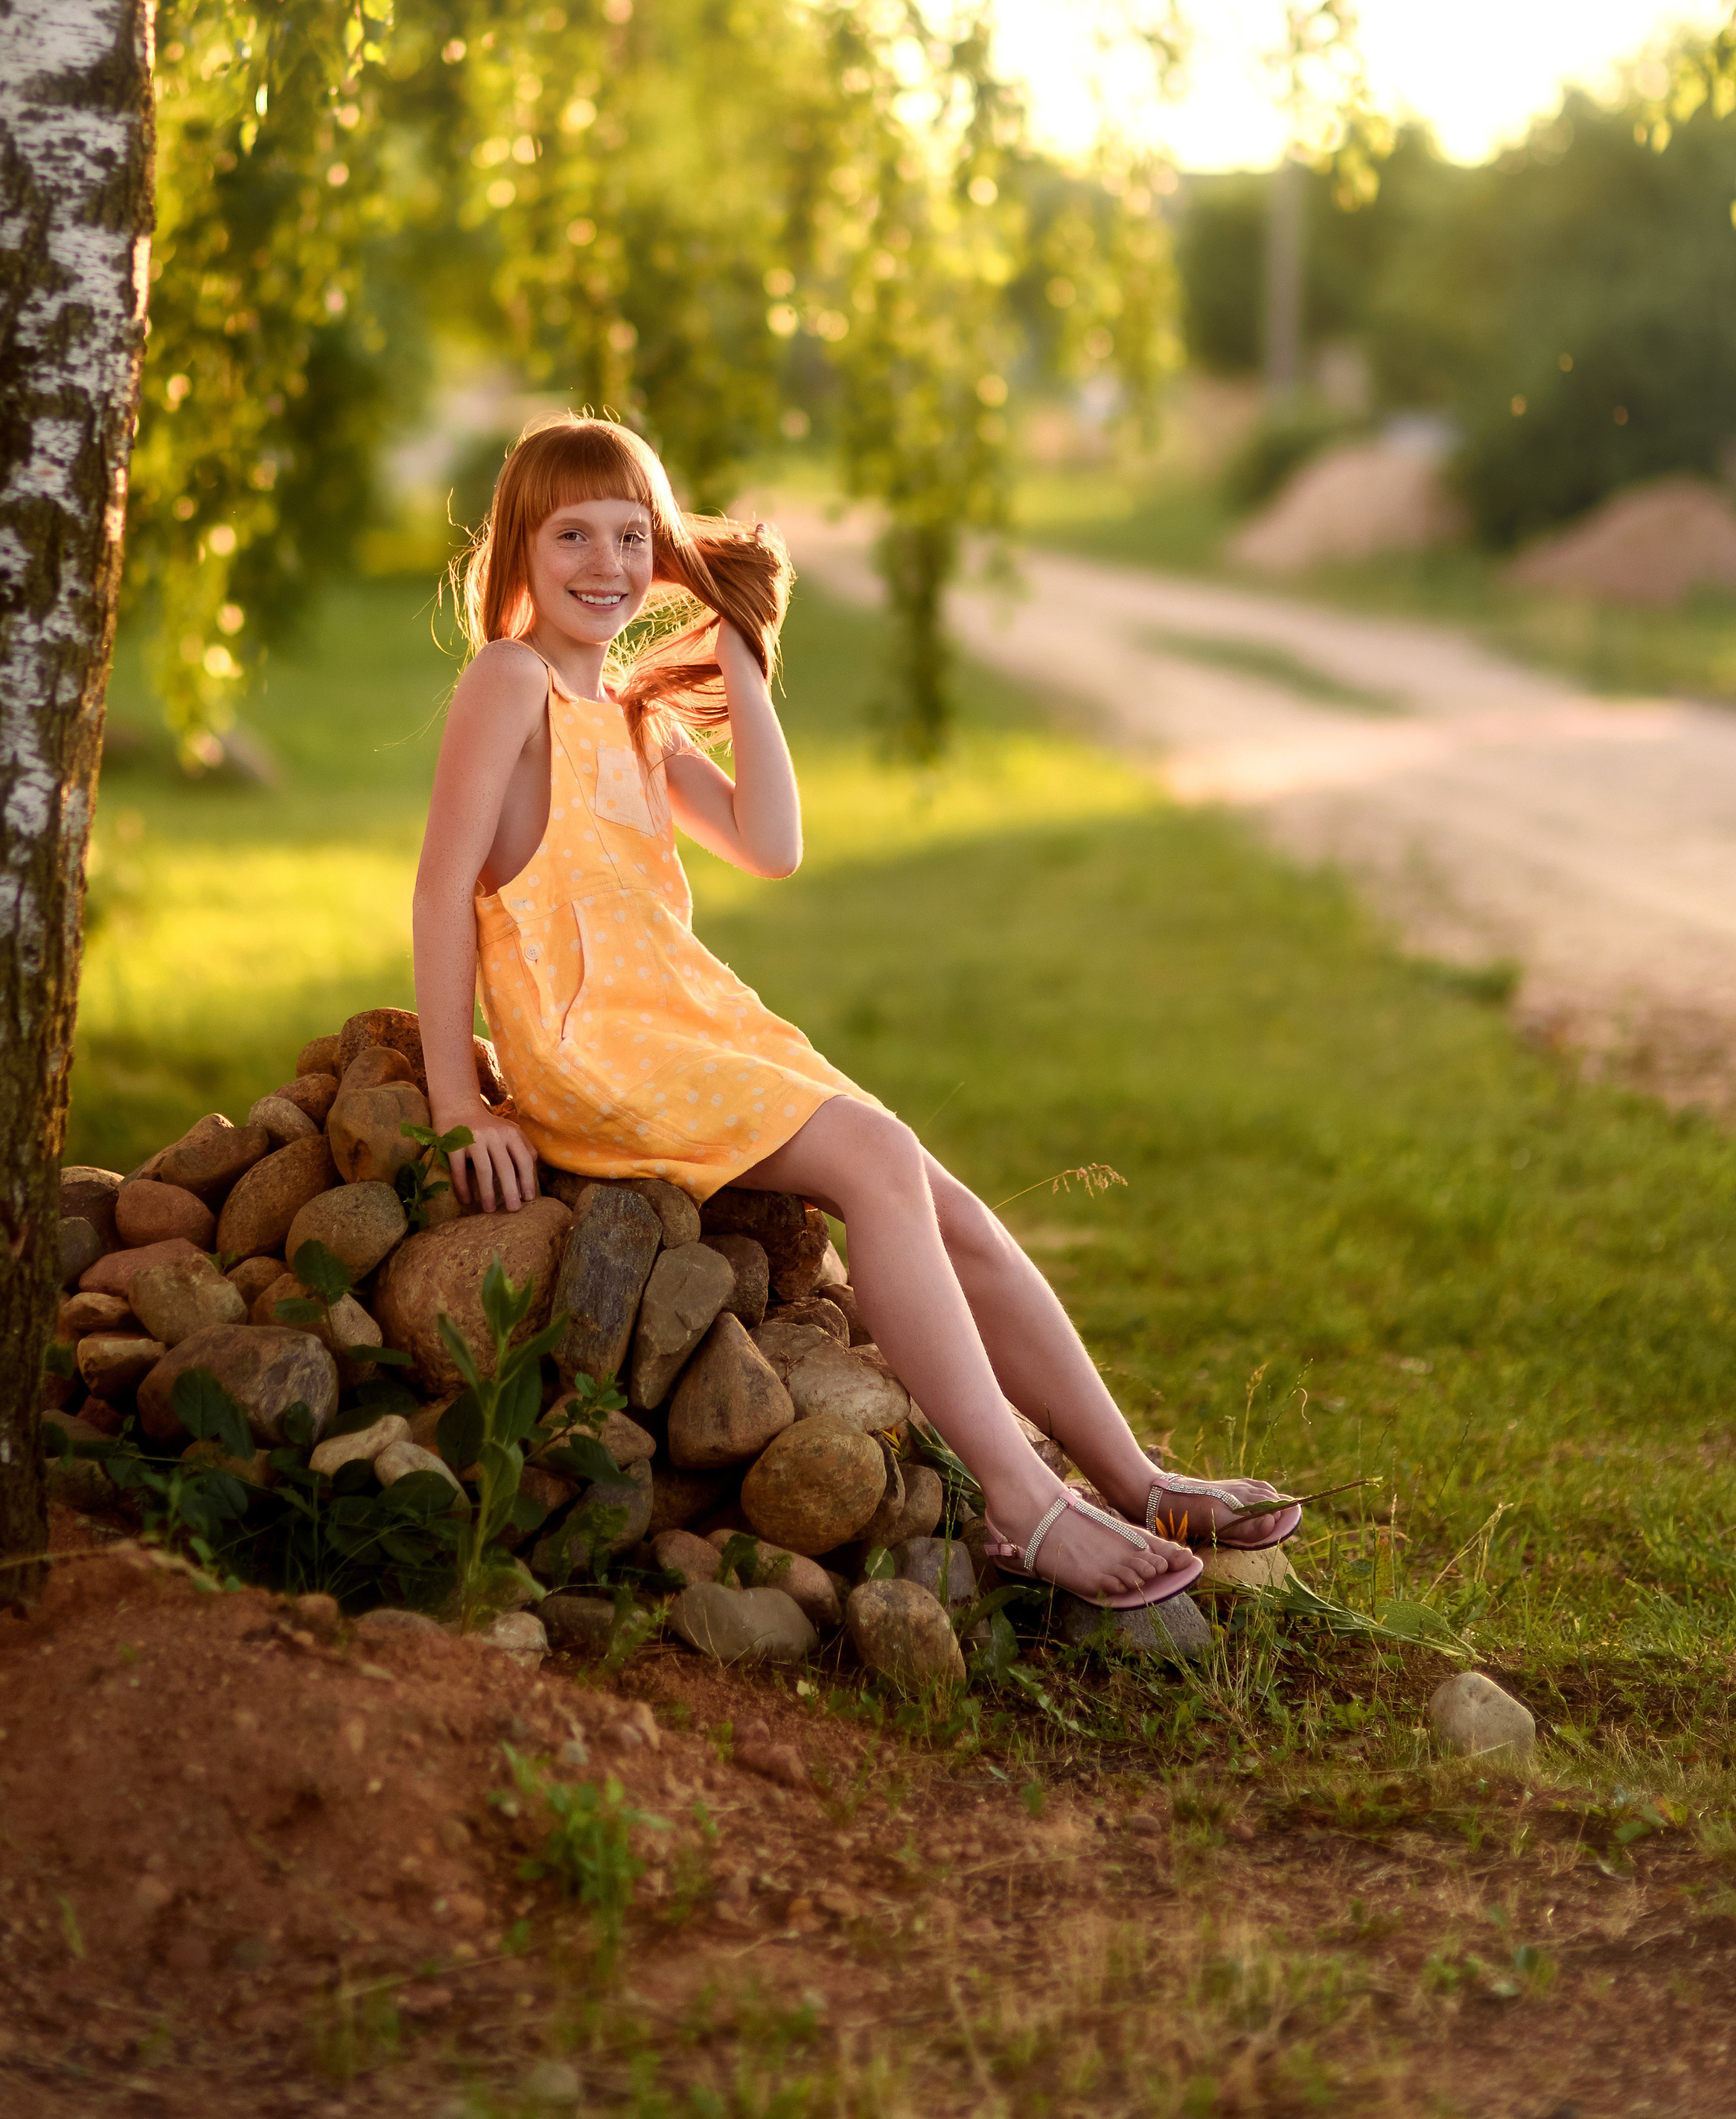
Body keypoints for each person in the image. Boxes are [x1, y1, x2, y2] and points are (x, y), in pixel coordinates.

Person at [412, 415, 1297, 1610]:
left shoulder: (634, 716)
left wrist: (737, 653)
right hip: (593, 1040)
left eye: (634, 537)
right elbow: (440, 887)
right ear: (519, 544)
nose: (607, 565)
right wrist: (460, 1099)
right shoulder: (509, 680)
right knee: (880, 1158)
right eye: (572, 534)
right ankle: (1026, 1510)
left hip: (691, 1018)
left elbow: (772, 845)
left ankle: (1131, 1474)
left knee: (946, 1201)